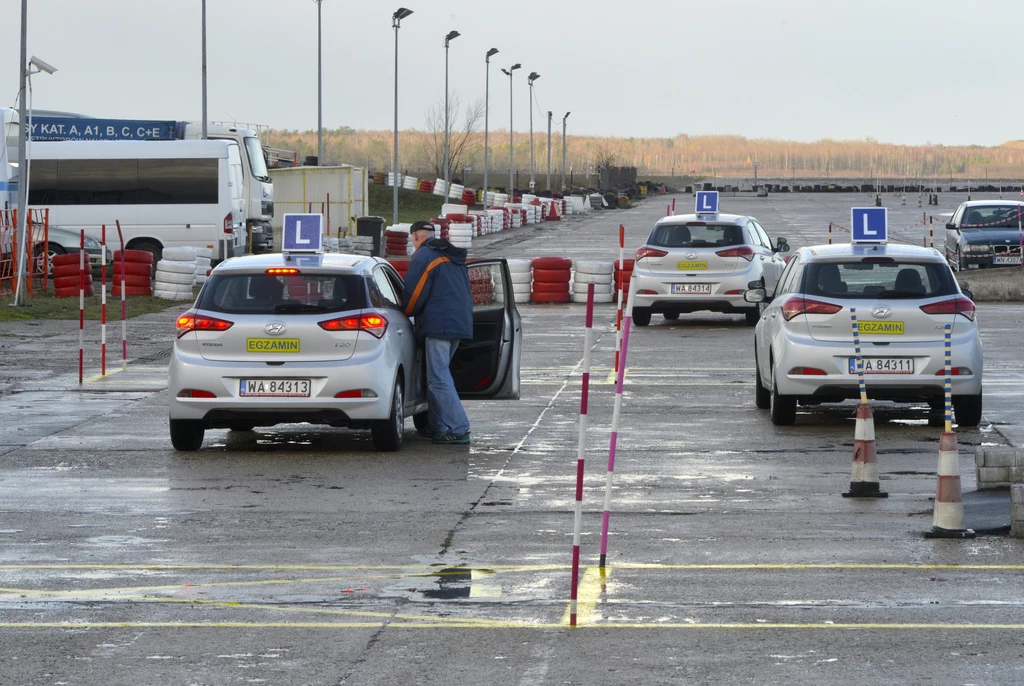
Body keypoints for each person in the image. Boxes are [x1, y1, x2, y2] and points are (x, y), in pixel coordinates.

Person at [401, 220, 474, 445]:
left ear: (414, 237)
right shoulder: (452, 255)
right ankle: (439, 427)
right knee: (437, 377)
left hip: (439, 325)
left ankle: (460, 428)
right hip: (459, 323)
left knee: (439, 378)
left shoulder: (424, 256)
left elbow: (414, 295)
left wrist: (405, 313)